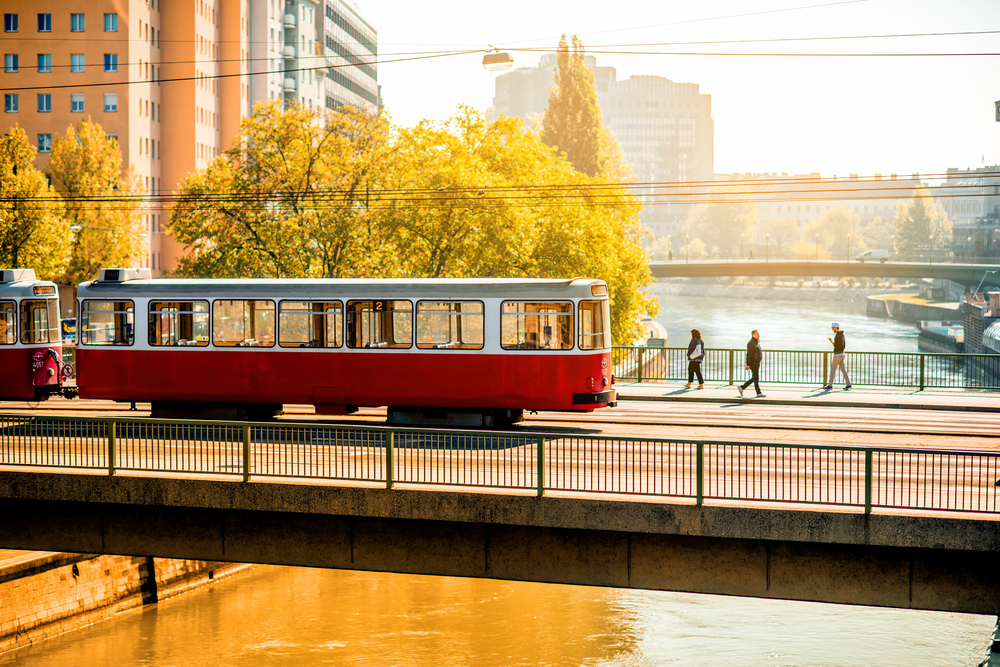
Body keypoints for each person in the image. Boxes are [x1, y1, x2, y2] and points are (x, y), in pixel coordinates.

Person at [824, 322, 852, 390]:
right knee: (843, 370)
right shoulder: (842, 335)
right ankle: (849, 384)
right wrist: (833, 342)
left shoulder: (837, 335)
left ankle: (830, 385)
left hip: (837, 355)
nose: (832, 329)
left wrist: (832, 342)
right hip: (842, 354)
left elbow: (836, 346)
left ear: (836, 328)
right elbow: (842, 346)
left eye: (833, 328)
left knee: (833, 370)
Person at [737, 329, 765, 398]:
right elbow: (749, 354)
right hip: (753, 363)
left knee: (755, 378)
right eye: (757, 334)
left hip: (756, 362)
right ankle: (758, 392)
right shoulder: (751, 343)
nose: (759, 335)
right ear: (753, 335)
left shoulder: (756, 343)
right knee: (756, 378)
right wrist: (748, 364)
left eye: (758, 334)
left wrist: (759, 361)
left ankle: (742, 387)